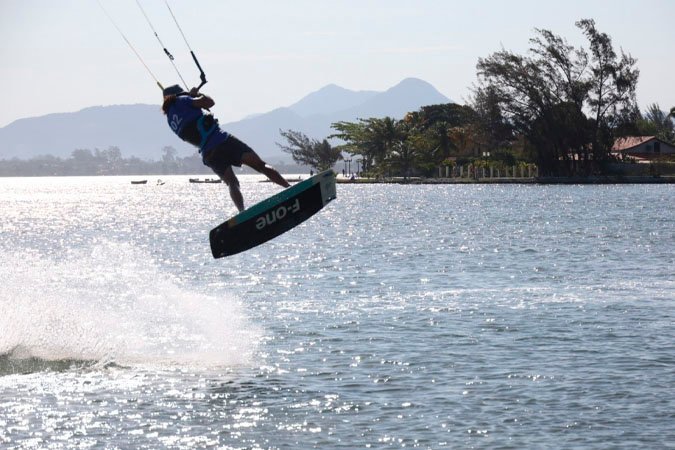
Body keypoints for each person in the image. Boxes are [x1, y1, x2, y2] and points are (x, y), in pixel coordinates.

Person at [161, 84, 290, 212]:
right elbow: (209, 102)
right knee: (261, 165)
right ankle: (289, 189)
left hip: (209, 154)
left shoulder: (170, 120)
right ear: (179, 94)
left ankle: (242, 212)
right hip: (222, 141)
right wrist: (196, 95)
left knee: (232, 183)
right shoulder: (182, 100)